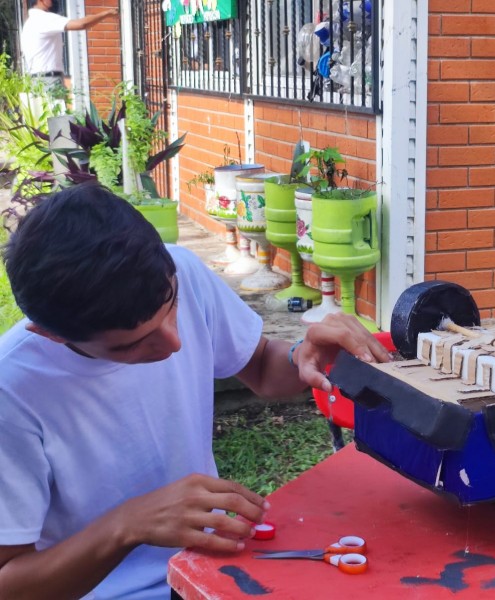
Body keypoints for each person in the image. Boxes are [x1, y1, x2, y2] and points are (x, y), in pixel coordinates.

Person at [0, 184, 391, 599]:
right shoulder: (13, 392)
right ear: (50, 334)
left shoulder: (181, 270)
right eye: (131, 344)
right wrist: (126, 526)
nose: (174, 344)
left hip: (211, 571)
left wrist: (304, 355)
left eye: (173, 308)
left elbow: (259, 366)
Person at [20, 0, 118, 92]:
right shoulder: (44, 18)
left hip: (35, 81)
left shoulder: (29, 23)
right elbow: (81, 24)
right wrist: (106, 13)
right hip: (49, 80)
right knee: (55, 110)